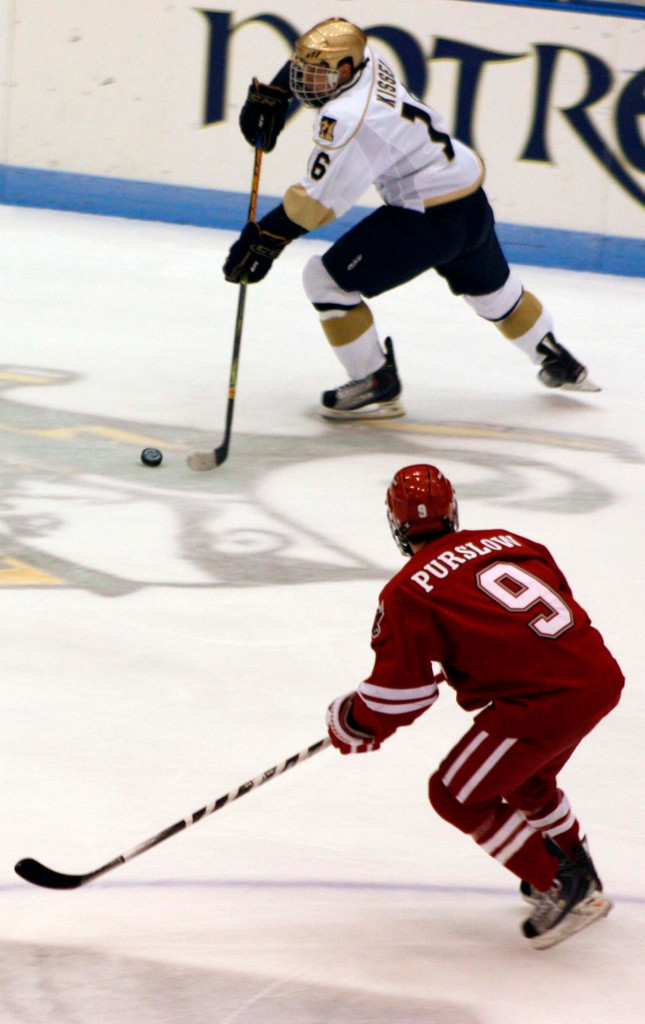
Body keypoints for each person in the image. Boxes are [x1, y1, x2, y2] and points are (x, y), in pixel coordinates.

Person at [223, 17, 600, 421]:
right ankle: (557, 359)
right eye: (301, 70)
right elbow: (328, 43)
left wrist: (264, 240)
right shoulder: (365, 57)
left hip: (425, 219)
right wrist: (279, 91)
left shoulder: (349, 119)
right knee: (495, 293)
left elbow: (317, 202)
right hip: (469, 201)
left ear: (345, 72)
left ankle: (374, 382)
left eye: (314, 74)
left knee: (325, 281)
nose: (303, 81)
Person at [325, 463, 623, 948]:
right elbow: (549, 611)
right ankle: (575, 864)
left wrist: (353, 721)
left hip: (539, 700)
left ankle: (560, 883)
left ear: (395, 525)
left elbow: (402, 693)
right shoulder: (512, 541)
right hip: (598, 676)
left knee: (456, 792)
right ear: (453, 510)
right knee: (529, 781)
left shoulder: (406, 592)